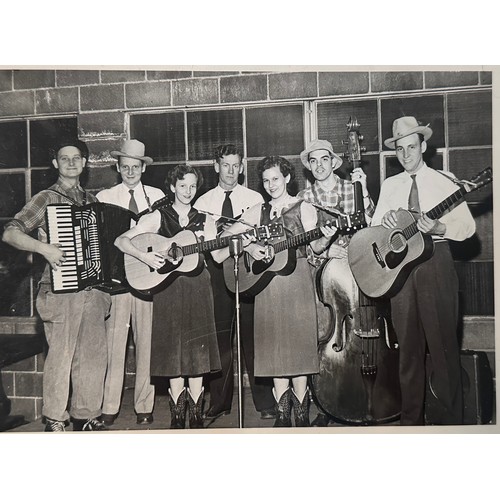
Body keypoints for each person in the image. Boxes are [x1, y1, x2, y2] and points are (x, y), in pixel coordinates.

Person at [371, 116, 476, 425]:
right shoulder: (391, 185)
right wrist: (385, 221)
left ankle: (449, 425)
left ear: (424, 146)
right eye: (400, 149)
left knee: (443, 349)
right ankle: (410, 424)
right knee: (408, 352)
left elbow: (468, 227)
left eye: (412, 147)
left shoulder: (445, 181)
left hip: (436, 264)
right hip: (401, 271)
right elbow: (374, 228)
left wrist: (440, 225)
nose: (406, 155)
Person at [2, 139, 110, 431]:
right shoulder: (45, 198)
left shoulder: (93, 201)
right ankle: (54, 418)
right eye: (65, 158)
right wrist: (44, 248)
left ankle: (86, 416)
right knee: (61, 357)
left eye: (77, 158)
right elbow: (10, 233)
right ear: (56, 164)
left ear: (85, 163)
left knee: (92, 355)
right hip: (59, 290)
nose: (71, 163)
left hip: (93, 290)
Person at [223, 156, 337, 427]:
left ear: (287, 178)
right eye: (266, 180)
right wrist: (250, 247)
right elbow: (227, 236)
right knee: (274, 348)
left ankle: (301, 413)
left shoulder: (304, 207)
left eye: (276, 179)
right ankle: (283, 414)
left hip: (296, 279)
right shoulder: (257, 211)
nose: (271, 184)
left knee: (297, 347)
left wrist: (328, 235)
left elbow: (316, 248)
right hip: (267, 285)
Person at [115, 164, 221, 429]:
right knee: (174, 352)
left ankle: (195, 415)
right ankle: (177, 415)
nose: (187, 191)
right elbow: (122, 241)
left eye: (193, 186)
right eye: (182, 185)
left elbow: (218, 255)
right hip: (168, 289)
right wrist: (144, 256)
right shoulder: (157, 216)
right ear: (172, 187)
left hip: (198, 286)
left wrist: (239, 244)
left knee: (197, 354)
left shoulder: (205, 219)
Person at [193, 144, 276, 421]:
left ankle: (265, 402)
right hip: (217, 272)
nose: (230, 171)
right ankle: (220, 402)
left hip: (249, 269)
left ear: (241, 167)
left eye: (235, 165)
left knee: (253, 336)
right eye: (225, 165)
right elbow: (203, 243)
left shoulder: (255, 198)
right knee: (220, 340)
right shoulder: (202, 202)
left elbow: (263, 237)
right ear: (216, 166)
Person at [297, 138, 374, 426]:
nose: (319, 165)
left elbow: (370, 222)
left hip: (356, 270)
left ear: (333, 162)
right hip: (322, 276)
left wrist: (363, 190)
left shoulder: (349, 188)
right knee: (324, 336)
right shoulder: (304, 198)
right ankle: (325, 405)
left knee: (362, 331)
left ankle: (366, 396)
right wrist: (328, 249)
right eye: (313, 161)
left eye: (323, 160)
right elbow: (304, 244)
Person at [96, 139, 165, 426]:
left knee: (146, 343)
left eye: (135, 167)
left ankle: (144, 406)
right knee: (114, 345)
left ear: (143, 168)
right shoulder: (104, 196)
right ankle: (109, 406)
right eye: (125, 167)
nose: (130, 171)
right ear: (117, 167)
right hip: (117, 281)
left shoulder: (159, 196)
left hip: (147, 279)